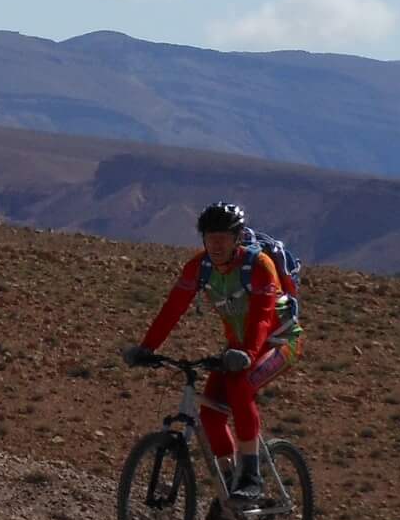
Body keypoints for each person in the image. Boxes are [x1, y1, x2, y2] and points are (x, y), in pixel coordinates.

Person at [125, 201, 303, 503]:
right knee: (210, 413)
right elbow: (173, 309)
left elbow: (262, 317)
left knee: (239, 386)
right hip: (240, 348)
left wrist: (246, 352)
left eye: (223, 238)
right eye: (210, 238)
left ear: (237, 238)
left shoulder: (259, 266)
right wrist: (146, 348)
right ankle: (230, 484)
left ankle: (251, 477)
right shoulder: (199, 266)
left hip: (279, 342)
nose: (216, 245)